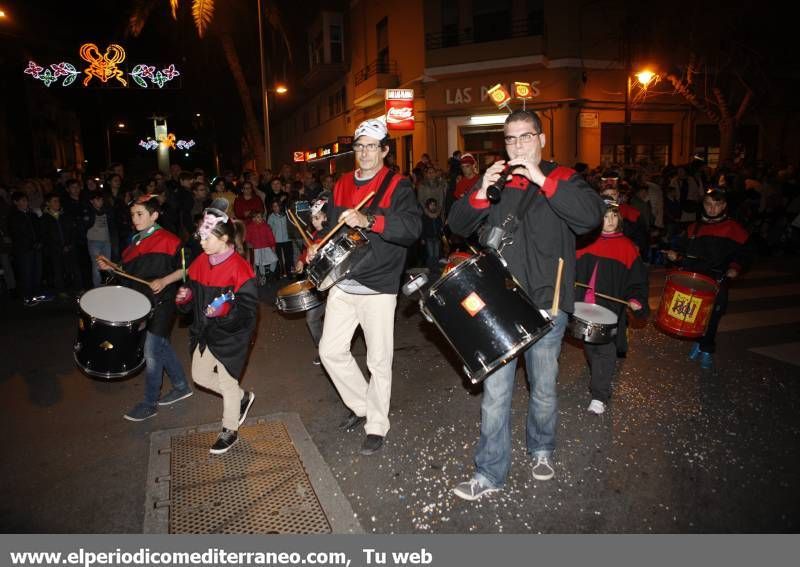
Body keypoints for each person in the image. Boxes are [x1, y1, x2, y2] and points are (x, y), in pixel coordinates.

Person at [447, 109, 605, 500]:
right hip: (500, 301)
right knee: (495, 394)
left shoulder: (564, 177)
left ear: (541, 139)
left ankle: (541, 449)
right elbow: (457, 225)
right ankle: (488, 473)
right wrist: (482, 189)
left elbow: (590, 218)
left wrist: (541, 179)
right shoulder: (497, 181)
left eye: (525, 138)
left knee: (544, 388)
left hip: (547, 302)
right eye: (511, 139)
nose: (518, 146)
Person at [309, 119, 422, 456]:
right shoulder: (342, 183)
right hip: (344, 280)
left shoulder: (398, 185)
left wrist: (371, 220)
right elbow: (331, 229)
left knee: (378, 359)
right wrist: (317, 244)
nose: (365, 152)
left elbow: (412, 228)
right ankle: (362, 406)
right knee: (330, 351)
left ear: (384, 150)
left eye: (372, 146)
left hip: (378, 284)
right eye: (359, 146)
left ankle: (377, 423)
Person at [97, 195, 192, 421]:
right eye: (132, 214)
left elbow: (187, 268)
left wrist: (165, 280)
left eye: (140, 214)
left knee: (151, 350)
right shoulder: (135, 241)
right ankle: (181, 386)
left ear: (154, 215)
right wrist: (110, 267)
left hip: (163, 301)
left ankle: (150, 402)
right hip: (141, 302)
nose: (135, 218)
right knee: (161, 346)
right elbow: (126, 271)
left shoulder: (169, 240)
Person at [175, 206, 258, 455]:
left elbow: (248, 311)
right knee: (199, 376)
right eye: (200, 236)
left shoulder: (240, 268)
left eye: (207, 238)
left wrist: (226, 312)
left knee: (227, 382)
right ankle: (241, 398)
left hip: (232, 337)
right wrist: (185, 300)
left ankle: (229, 429)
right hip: (205, 333)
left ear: (224, 239)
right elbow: (193, 299)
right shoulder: (200, 261)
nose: (202, 242)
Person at [666, 187, 754, 369]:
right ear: (703, 205)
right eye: (708, 204)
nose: (712, 209)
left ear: (724, 206)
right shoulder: (694, 227)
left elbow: (745, 254)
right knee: (694, 314)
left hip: (717, 278)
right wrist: (674, 254)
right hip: (694, 278)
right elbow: (682, 249)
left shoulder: (734, 229)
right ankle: (699, 341)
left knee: (713, 316)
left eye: (717, 204)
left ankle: (706, 349)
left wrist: (735, 268)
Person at [575, 200, 649, 414]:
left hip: (608, 309)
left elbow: (637, 280)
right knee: (590, 347)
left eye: (614, 216)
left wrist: (637, 299)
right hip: (584, 304)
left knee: (605, 350)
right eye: (605, 216)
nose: (610, 221)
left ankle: (600, 394)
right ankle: (598, 374)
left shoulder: (627, 247)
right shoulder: (585, 242)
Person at [294, 198, 330, 365]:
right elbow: (307, 249)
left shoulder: (333, 233)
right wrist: (302, 260)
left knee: (333, 321)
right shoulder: (315, 235)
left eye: (318, 217)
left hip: (332, 286)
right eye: (313, 218)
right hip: (318, 286)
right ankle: (324, 351)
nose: (314, 221)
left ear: (326, 217)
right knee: (312, 320)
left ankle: (331, 352)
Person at [245, 211, 278, 285]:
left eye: (260, 217)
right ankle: (263, 276)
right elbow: (247, 238)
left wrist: (272, 245)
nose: (260, 219)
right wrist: (249, 243)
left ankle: (270, 273)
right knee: (260, 263)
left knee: (274, 260)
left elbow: (270, 237)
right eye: (257, 217)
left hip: (266, 247)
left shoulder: (266, 226)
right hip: (256, 248)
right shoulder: (250, 227)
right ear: (254, 219)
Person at [267, 200, 293, 278]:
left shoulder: (286, 215)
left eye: (277, 206)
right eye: (274, 206)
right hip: (277, 240)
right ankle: (279, 273)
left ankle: (289, 273)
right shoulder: (271, 217)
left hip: (287, 239)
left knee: (288, 257)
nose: (275, 208)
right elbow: (269, 229)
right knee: (278, 258)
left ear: (280, 206)